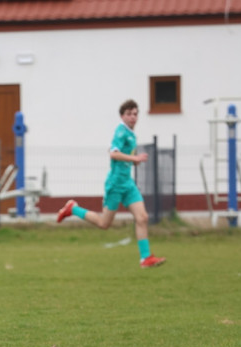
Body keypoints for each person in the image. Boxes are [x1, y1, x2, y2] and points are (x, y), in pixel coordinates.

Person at [55, 99, 166, 269]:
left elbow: (121, 154)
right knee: (104, 224)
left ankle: (146, 258)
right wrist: (134, 158)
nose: (133, 117)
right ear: (122, 116)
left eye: (135, 114)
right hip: (115, 184)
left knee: (142, 217)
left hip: (127, 183)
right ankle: (72, 209)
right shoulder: (121, 132)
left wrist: (133, 162)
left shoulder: (131, 134)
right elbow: (113, 154)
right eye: (129, 114)